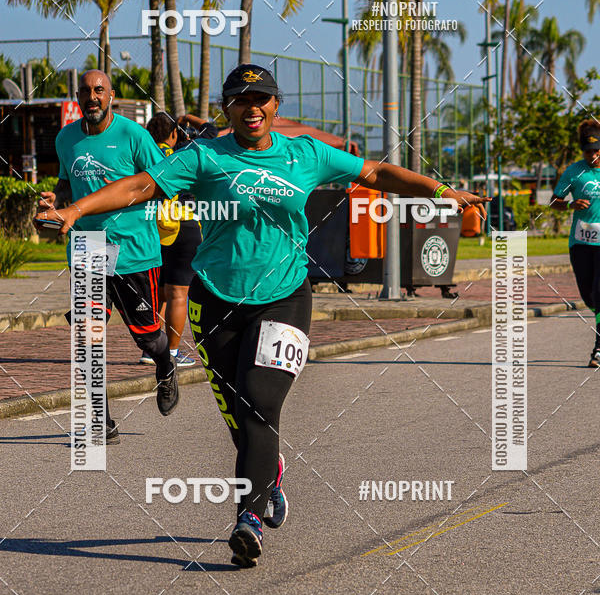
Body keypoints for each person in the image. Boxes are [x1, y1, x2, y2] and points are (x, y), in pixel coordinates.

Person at [36, 64, 485, 565]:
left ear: (277, 105)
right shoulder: (204, 156)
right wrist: (75, 212)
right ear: (227, 108)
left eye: (263, 99)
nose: (253, 108)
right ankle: (269, 473)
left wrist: (441, 192)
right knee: (238, 416)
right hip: (216, 301)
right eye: (242, 100)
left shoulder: (305, 153)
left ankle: (247, 518)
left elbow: (376, 173)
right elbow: (140, 186)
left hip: (285, 297)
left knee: (259, 402)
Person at [37, 70, 180, 446]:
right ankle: (100, 419)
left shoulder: (135, 137)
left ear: (111, 95)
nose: (92, 97)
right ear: (79, 97)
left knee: (148, 337)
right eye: (85, 91)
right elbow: (66, 183)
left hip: (134, 251)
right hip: (88, 249)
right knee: (88, 339)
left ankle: (166, 367)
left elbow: (161, 186)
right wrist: (55, 203)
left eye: (99, 90)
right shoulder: (66, 137)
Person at [141, 112, 202, 368]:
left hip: (152, 226)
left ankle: (151, 350)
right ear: (174, 134)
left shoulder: (144, 157)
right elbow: (213, 128)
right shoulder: (184, 152)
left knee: (158, 293)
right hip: (184, 225)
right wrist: (187, 117)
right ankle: (173, 353)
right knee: (178, 294)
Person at [551, 119, 600, 367]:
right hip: (580, 242)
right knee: (589, 296)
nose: (593, 155)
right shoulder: (574, 171)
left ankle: (598, 348)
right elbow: (554, 201)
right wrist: (570, 204)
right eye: (588, 151)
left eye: (597, 150)